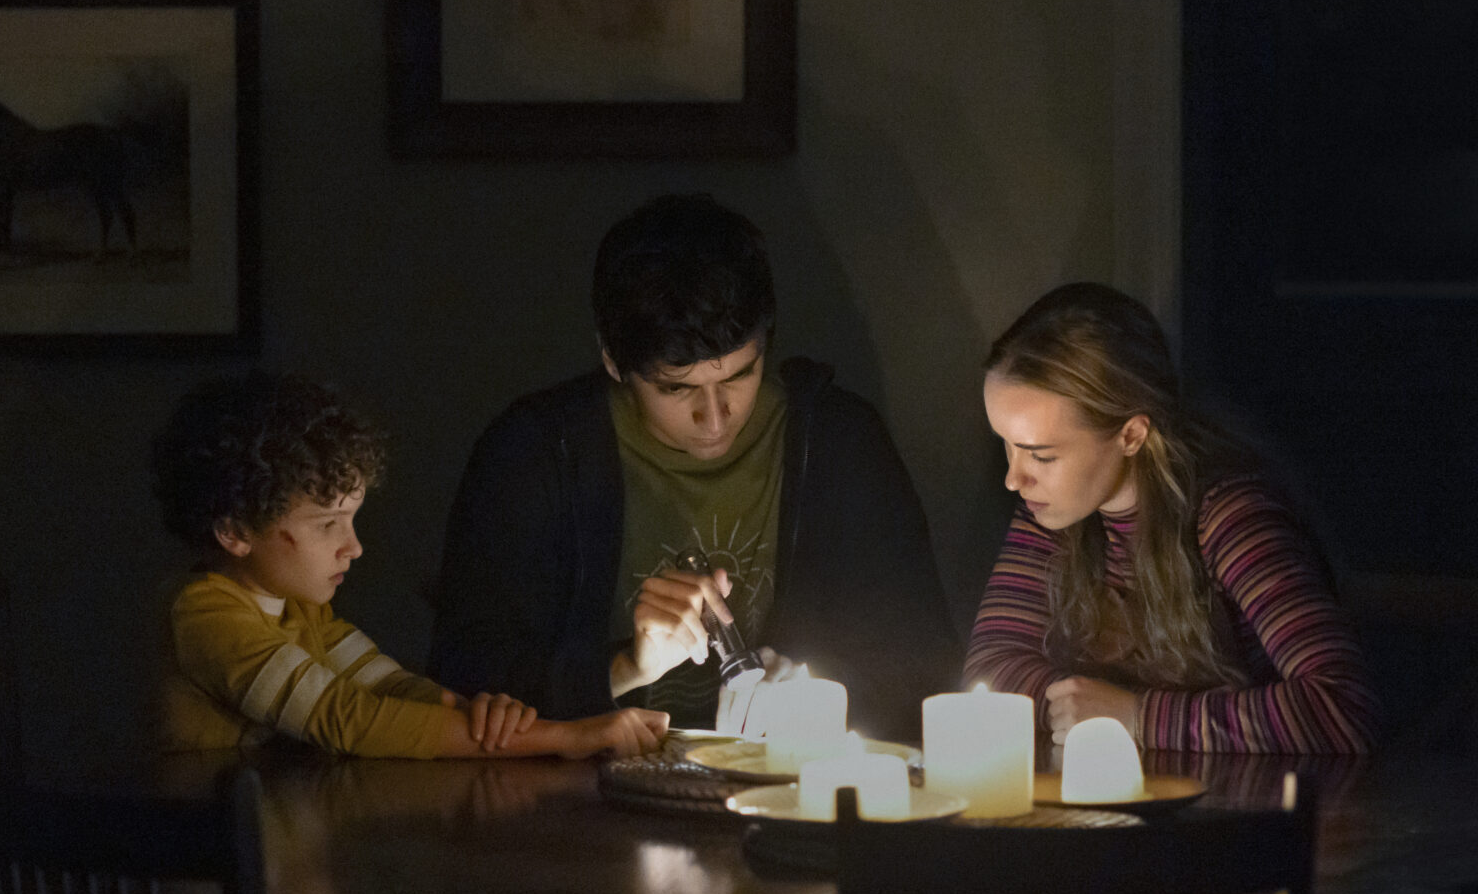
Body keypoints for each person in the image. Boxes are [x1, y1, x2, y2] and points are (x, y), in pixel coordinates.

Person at [429, 194, 958, 740]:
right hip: (579, 798)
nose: (714, 418)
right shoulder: (538, 450)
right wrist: (626, 667)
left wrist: (819, 693)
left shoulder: (837, 441)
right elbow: (465, 676)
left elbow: (922, 667)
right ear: (613, 360)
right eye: (676, 388)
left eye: (737, 377)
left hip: (789, 795)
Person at [154, 370, 669, 759]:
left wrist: (481, 715)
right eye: (327, 524)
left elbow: (390, 686)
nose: (352, 547)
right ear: (235, 532)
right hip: (223, 883)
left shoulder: (301, 612)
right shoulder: (205, 615)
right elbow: (349, 719)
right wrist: (561, 736)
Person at [965, 282, 1381, 753]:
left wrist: (1137, 715)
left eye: (1040, 455)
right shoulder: (1055, 511)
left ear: (1131, 435)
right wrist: (1082, 707)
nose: (1014, 479)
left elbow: (1342, 707)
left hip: (1248, 813)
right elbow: (991, 667)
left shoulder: (1227, 518)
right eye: (1007, 444)